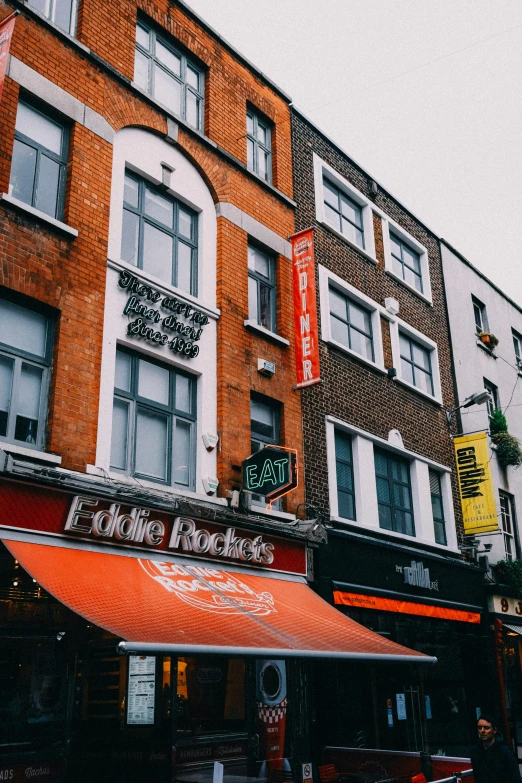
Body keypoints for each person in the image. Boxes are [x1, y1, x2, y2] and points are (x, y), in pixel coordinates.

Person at [470, 713, 521, 783]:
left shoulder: (505, 753)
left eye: (486, 728)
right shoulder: (475, 752)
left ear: (494, 730)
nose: (482, 731)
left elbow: (516, 779)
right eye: (479, 728)